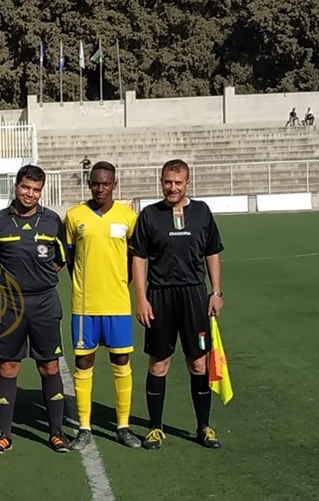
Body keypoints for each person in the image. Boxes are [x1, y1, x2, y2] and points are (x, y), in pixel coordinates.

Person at [131, 159, 224, 450]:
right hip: (160, 296)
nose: (172, 188)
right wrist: (141, 298)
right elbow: (139, 258)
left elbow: (212, 253)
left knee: (198, 362)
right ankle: (155, 428)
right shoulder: (149, 214)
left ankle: (204, 427)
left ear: (187, 183)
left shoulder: (202, 211)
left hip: (194, 295)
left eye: (178, 182)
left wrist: (216, 292)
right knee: (159, 363)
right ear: (161, 182)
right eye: (167, 182)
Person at [0, 165, 70, 454]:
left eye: (36, 190)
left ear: (41, 192)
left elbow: (60, 259)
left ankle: (56, 432)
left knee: (49, 365)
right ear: (16, 186)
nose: (30, 194)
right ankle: (4, 434)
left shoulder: (52, 221)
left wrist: (39, 279)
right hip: (9, 304)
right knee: (8, 366)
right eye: (25, 187)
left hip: (45, 303)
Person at [63, 162, 143, 450]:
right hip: (84, 306)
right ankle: (84, 427)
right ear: (89, 184)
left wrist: (120, 283)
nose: (100, 188)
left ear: (114, 184)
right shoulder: (74, 216)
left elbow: (135, 259)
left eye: (105, 183)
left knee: (121, 361)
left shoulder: (128, 217)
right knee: (84, 362)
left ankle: (123, 426)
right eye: (95, 183)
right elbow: (71, 259)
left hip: (118, 304)